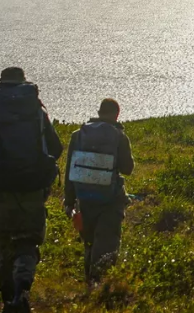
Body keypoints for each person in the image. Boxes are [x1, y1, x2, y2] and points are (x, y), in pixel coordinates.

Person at [0, 67, 64, 313]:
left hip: (0, 188)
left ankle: (8, 298)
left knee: (2, 242)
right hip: (32, 188)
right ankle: (22, 290)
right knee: (28, 242)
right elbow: (56, 147)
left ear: (1, 84)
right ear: (24, 83)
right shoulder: (37, 112)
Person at [62, 98, 135, 286]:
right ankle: (100, 286)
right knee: (107, 243)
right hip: (110, 200)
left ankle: (89, 284)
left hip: (84, 199)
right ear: (116, 114)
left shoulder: (77, 135)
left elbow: (71, 170)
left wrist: (69, 201)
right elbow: (127, 169)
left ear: (99, 111)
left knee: (89, 243)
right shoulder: (119, 136)